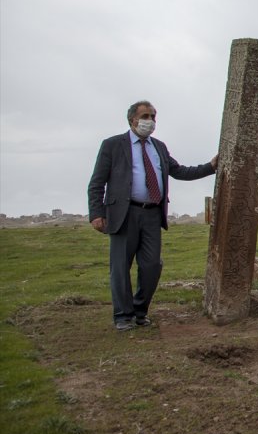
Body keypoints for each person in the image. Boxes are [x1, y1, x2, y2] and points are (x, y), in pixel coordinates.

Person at [88, 100, 218, 331]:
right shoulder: (112, 145)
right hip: (124, 213)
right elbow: (97, 182)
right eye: (146, 116)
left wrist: (210, 166)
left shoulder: (158, 147)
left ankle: (140, 311)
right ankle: (122, 316)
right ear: (132, 120)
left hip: (152, 214)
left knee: (151, 266)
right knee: (120, 267)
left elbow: (179, 171)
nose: (150, 121)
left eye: (153, 117)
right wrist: (96, 213)